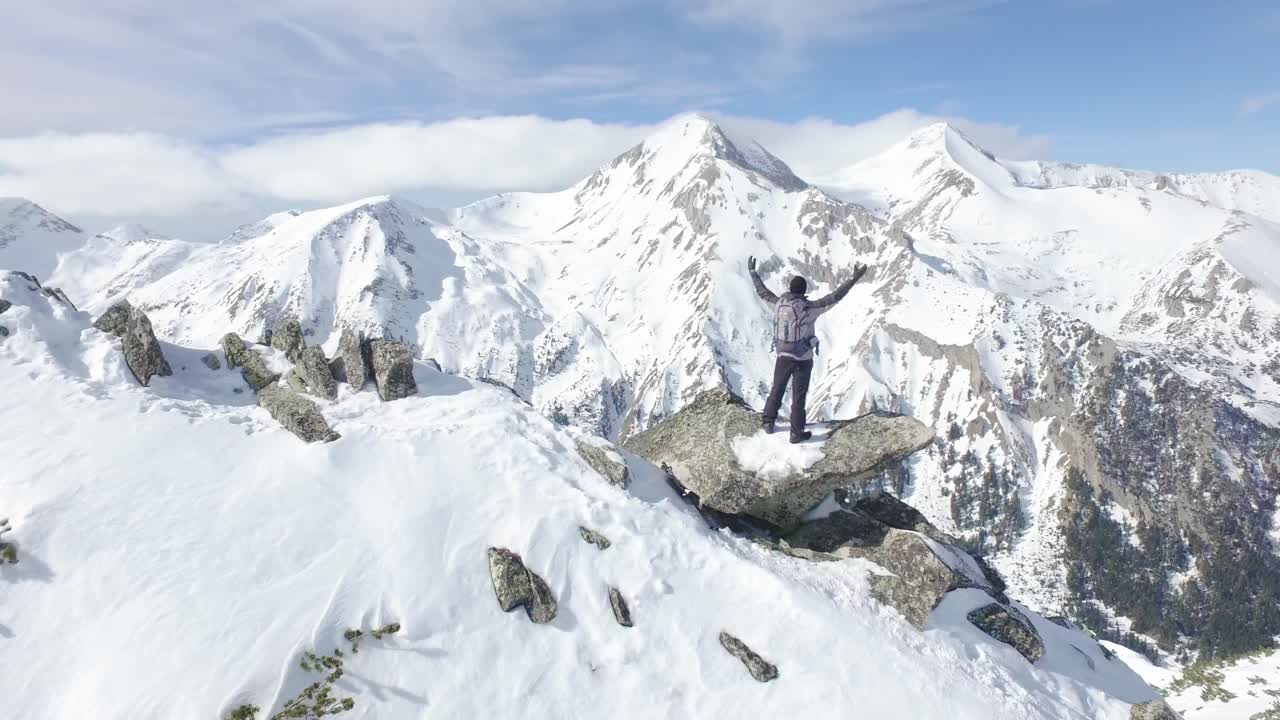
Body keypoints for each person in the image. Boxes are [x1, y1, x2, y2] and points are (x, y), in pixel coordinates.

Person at [748, 256, 869, 443]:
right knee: (799, 397)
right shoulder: (810, 308)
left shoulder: (778, 304)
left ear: (790, 289)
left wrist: (753, 273)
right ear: (804, 291)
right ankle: (796, 433)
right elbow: (836, 296)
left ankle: (768, 422)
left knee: (777, 389)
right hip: (803, 358)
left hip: (783, 356)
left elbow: (762, 292)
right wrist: (854, 278)